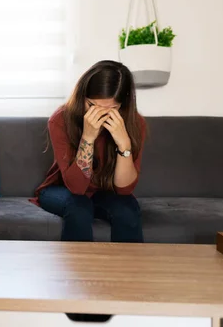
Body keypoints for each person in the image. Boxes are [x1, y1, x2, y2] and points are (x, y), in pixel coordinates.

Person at [32, 60, 146, 243]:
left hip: (105, 191)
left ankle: (127, 271)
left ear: (123, 106)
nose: (101, 115)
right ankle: (78, 271)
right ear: (82, 97)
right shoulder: (61, 119)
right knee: (79, 207)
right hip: (61, 189)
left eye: (112, 109)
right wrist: (88, 138)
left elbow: (124, 190)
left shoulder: (135, 123)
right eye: (92, 106)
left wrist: (124, 144)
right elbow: (76, 188)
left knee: (128, 208)